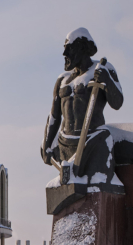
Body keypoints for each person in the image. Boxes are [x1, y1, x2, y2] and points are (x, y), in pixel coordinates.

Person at [41, 28, 123, 184]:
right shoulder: (63, 80)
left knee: (94, 188)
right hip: (65, 145)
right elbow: (54, 116)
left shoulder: (101, 69)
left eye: (69, 49)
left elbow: (117, 103)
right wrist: (47, 145)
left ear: (83, 48)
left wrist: (107, 80)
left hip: (91, 142)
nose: (65, 54)